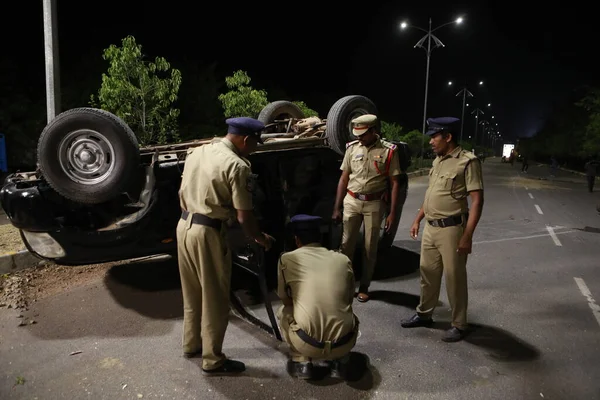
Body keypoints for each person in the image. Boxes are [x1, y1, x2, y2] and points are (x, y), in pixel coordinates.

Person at [177, 117, 274, 375]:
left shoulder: (198, 152)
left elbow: (181, 193)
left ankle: (191, 344)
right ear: (244, 140)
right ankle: (212, 359)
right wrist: (259, 238)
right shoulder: (237, 165)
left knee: (192, 292)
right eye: (254, 144)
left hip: (184, 225)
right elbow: (244, 216)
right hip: (207, 232)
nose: (254, 149)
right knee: (215, 299)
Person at [401, 117, 484, 343]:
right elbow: (432, 194)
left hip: (452, 229)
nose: (430, 141)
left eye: (434, 136)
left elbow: (477, 201)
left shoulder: (467, 162)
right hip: (431, 227)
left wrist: (467, 236)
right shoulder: (438, 161)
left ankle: (459, 323)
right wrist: (418, 218)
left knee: (454, 277)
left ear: (448, 137)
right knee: (427, 273)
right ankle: (424, 314)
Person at [276, 214, 359, 380]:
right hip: (345, 341)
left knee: (284, 311)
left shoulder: (287, 259)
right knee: (343, 308)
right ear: (319, 237)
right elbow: (349, 298)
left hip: (307, 342)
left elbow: (285, 298)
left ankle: (301, 361)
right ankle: (340, 360)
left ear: (296, 239)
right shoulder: (343, 259)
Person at [332, 114, 402, 302]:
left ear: (373, 131)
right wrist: (336, 207)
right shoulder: (352, 149)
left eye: (363, 134)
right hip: (352, 201)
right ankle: (345, 284)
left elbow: (394, 183)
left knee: (370, 247)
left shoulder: (389, 151)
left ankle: (364, 285)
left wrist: (392, 213)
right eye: (357, 133)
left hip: (375, 203)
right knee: (346, 246)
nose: (359, 137)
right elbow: (344, 178)